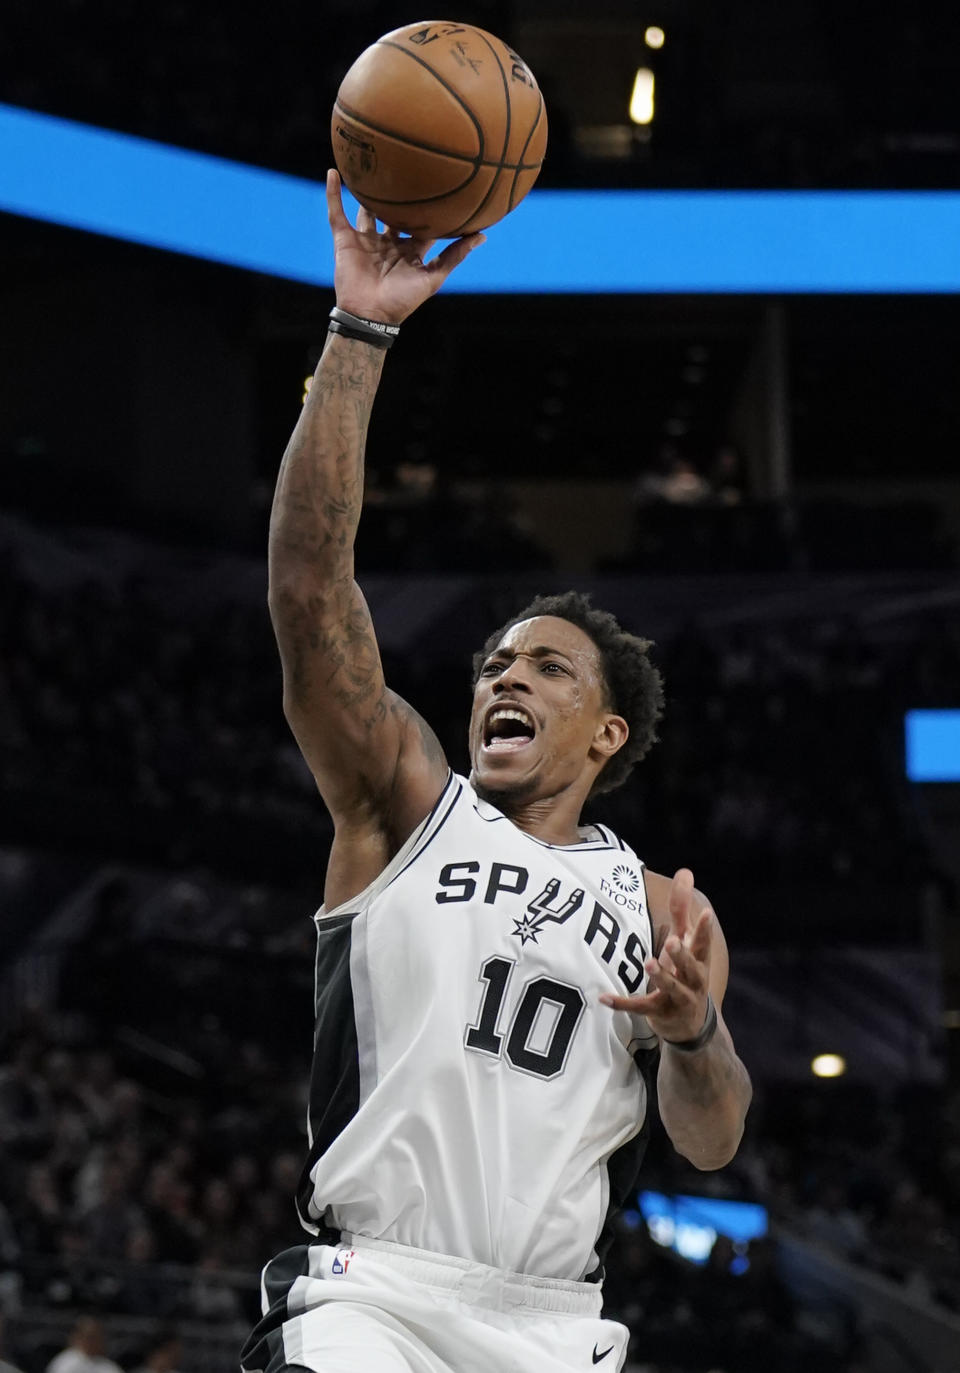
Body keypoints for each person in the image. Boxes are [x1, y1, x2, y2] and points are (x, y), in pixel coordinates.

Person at [240, 172, 752, 1373]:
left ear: (607, 733)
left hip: (554, 1326)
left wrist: (694, 1032)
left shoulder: (669, 915)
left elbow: (714, 1139)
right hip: (373, 1297)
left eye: (547, 668)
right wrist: (360, 330)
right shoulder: (408, 798)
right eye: (493, 661)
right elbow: (310, 592)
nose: (502, 678)